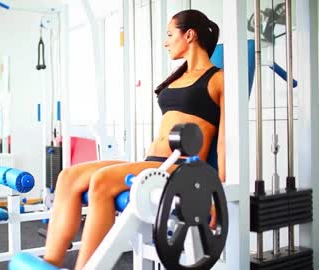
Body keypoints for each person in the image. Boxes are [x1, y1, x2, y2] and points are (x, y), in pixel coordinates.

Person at [43, 9, 225, 269]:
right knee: (67, 176)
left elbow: (225, 141)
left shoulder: (218, 79)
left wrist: (218, 191)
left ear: (190, 35)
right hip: (154, 162)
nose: (165, 41)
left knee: (101, 181)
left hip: (181, 167)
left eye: (170, 34)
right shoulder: (179, 77)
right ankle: (50, 262)